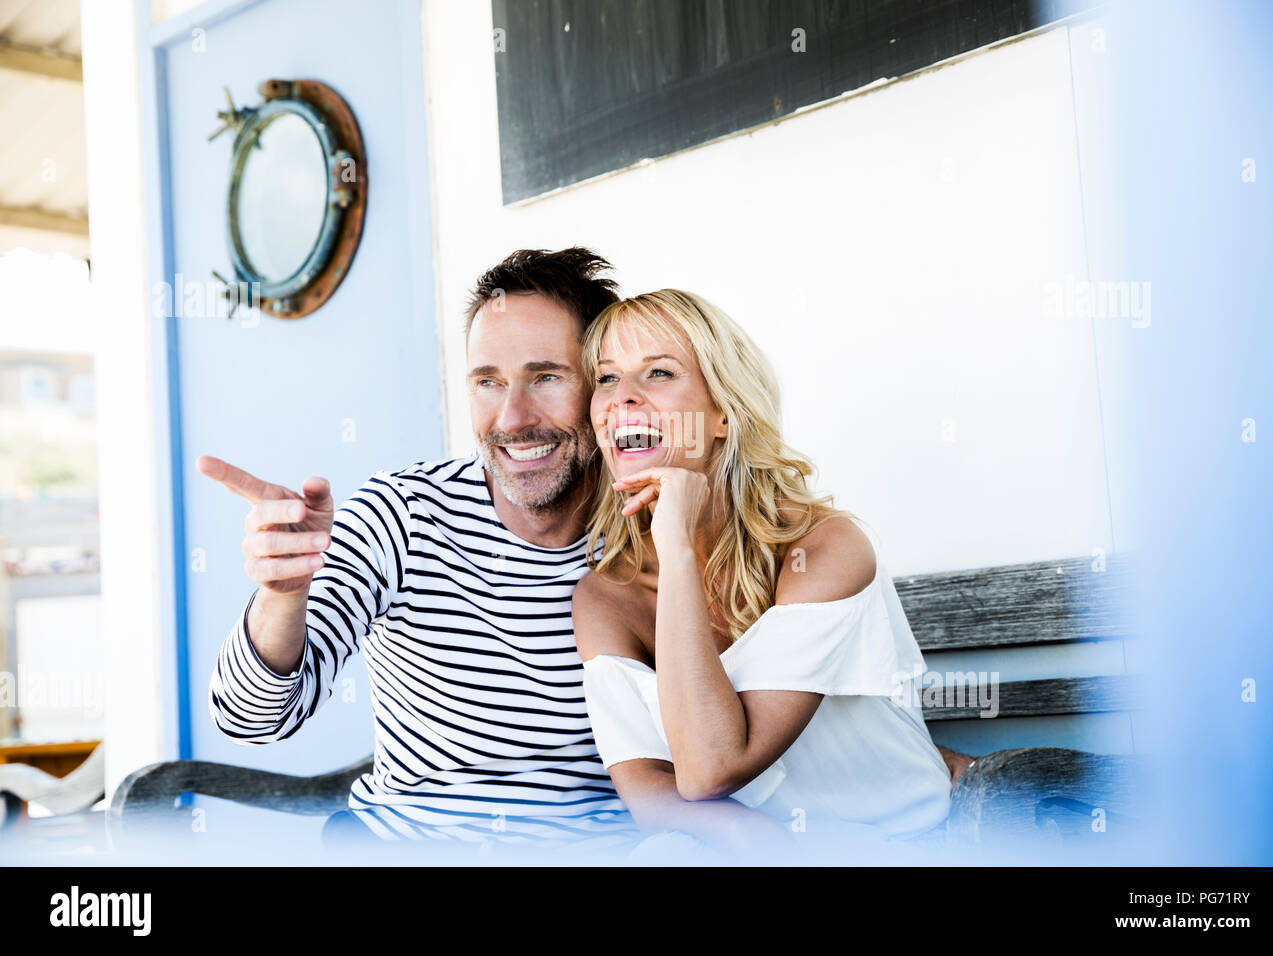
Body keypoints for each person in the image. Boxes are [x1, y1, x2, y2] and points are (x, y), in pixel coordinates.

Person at [202, 247, 641, 850]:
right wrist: (282, 595)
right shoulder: (401, 516)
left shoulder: (654, 533)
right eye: (488, 382)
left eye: (546, 377)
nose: (512, 418)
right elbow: (248, 721)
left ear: (602, 388)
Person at [573, 289, 964, 859]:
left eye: (658, 372)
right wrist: (757, 840)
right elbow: (648, 784)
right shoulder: (606, 594)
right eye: (606, 379)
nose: (622, 398)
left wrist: (677, 548)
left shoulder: (826, 547)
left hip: (901, 840)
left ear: (724, 415)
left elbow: (709, 770)